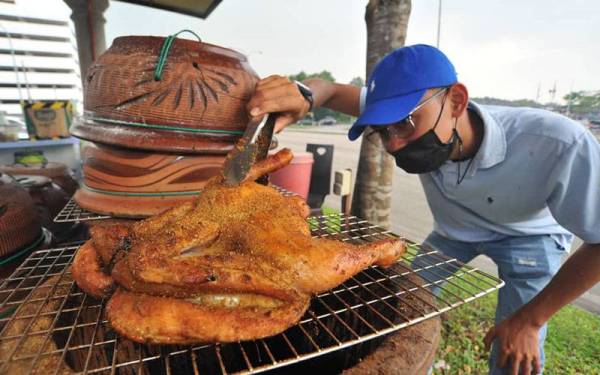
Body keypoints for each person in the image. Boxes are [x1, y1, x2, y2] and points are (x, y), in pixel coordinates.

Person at [246, 44, 600, 375]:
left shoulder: (559, 142)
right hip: (454, 233)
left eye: (405, 123)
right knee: (403, 308)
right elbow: (330, 90)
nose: (395, 143)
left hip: (528, 236)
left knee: (518, 346)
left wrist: (530, 320)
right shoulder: (405, 111)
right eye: (382, 131)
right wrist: (304, 94)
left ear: (456, 101)